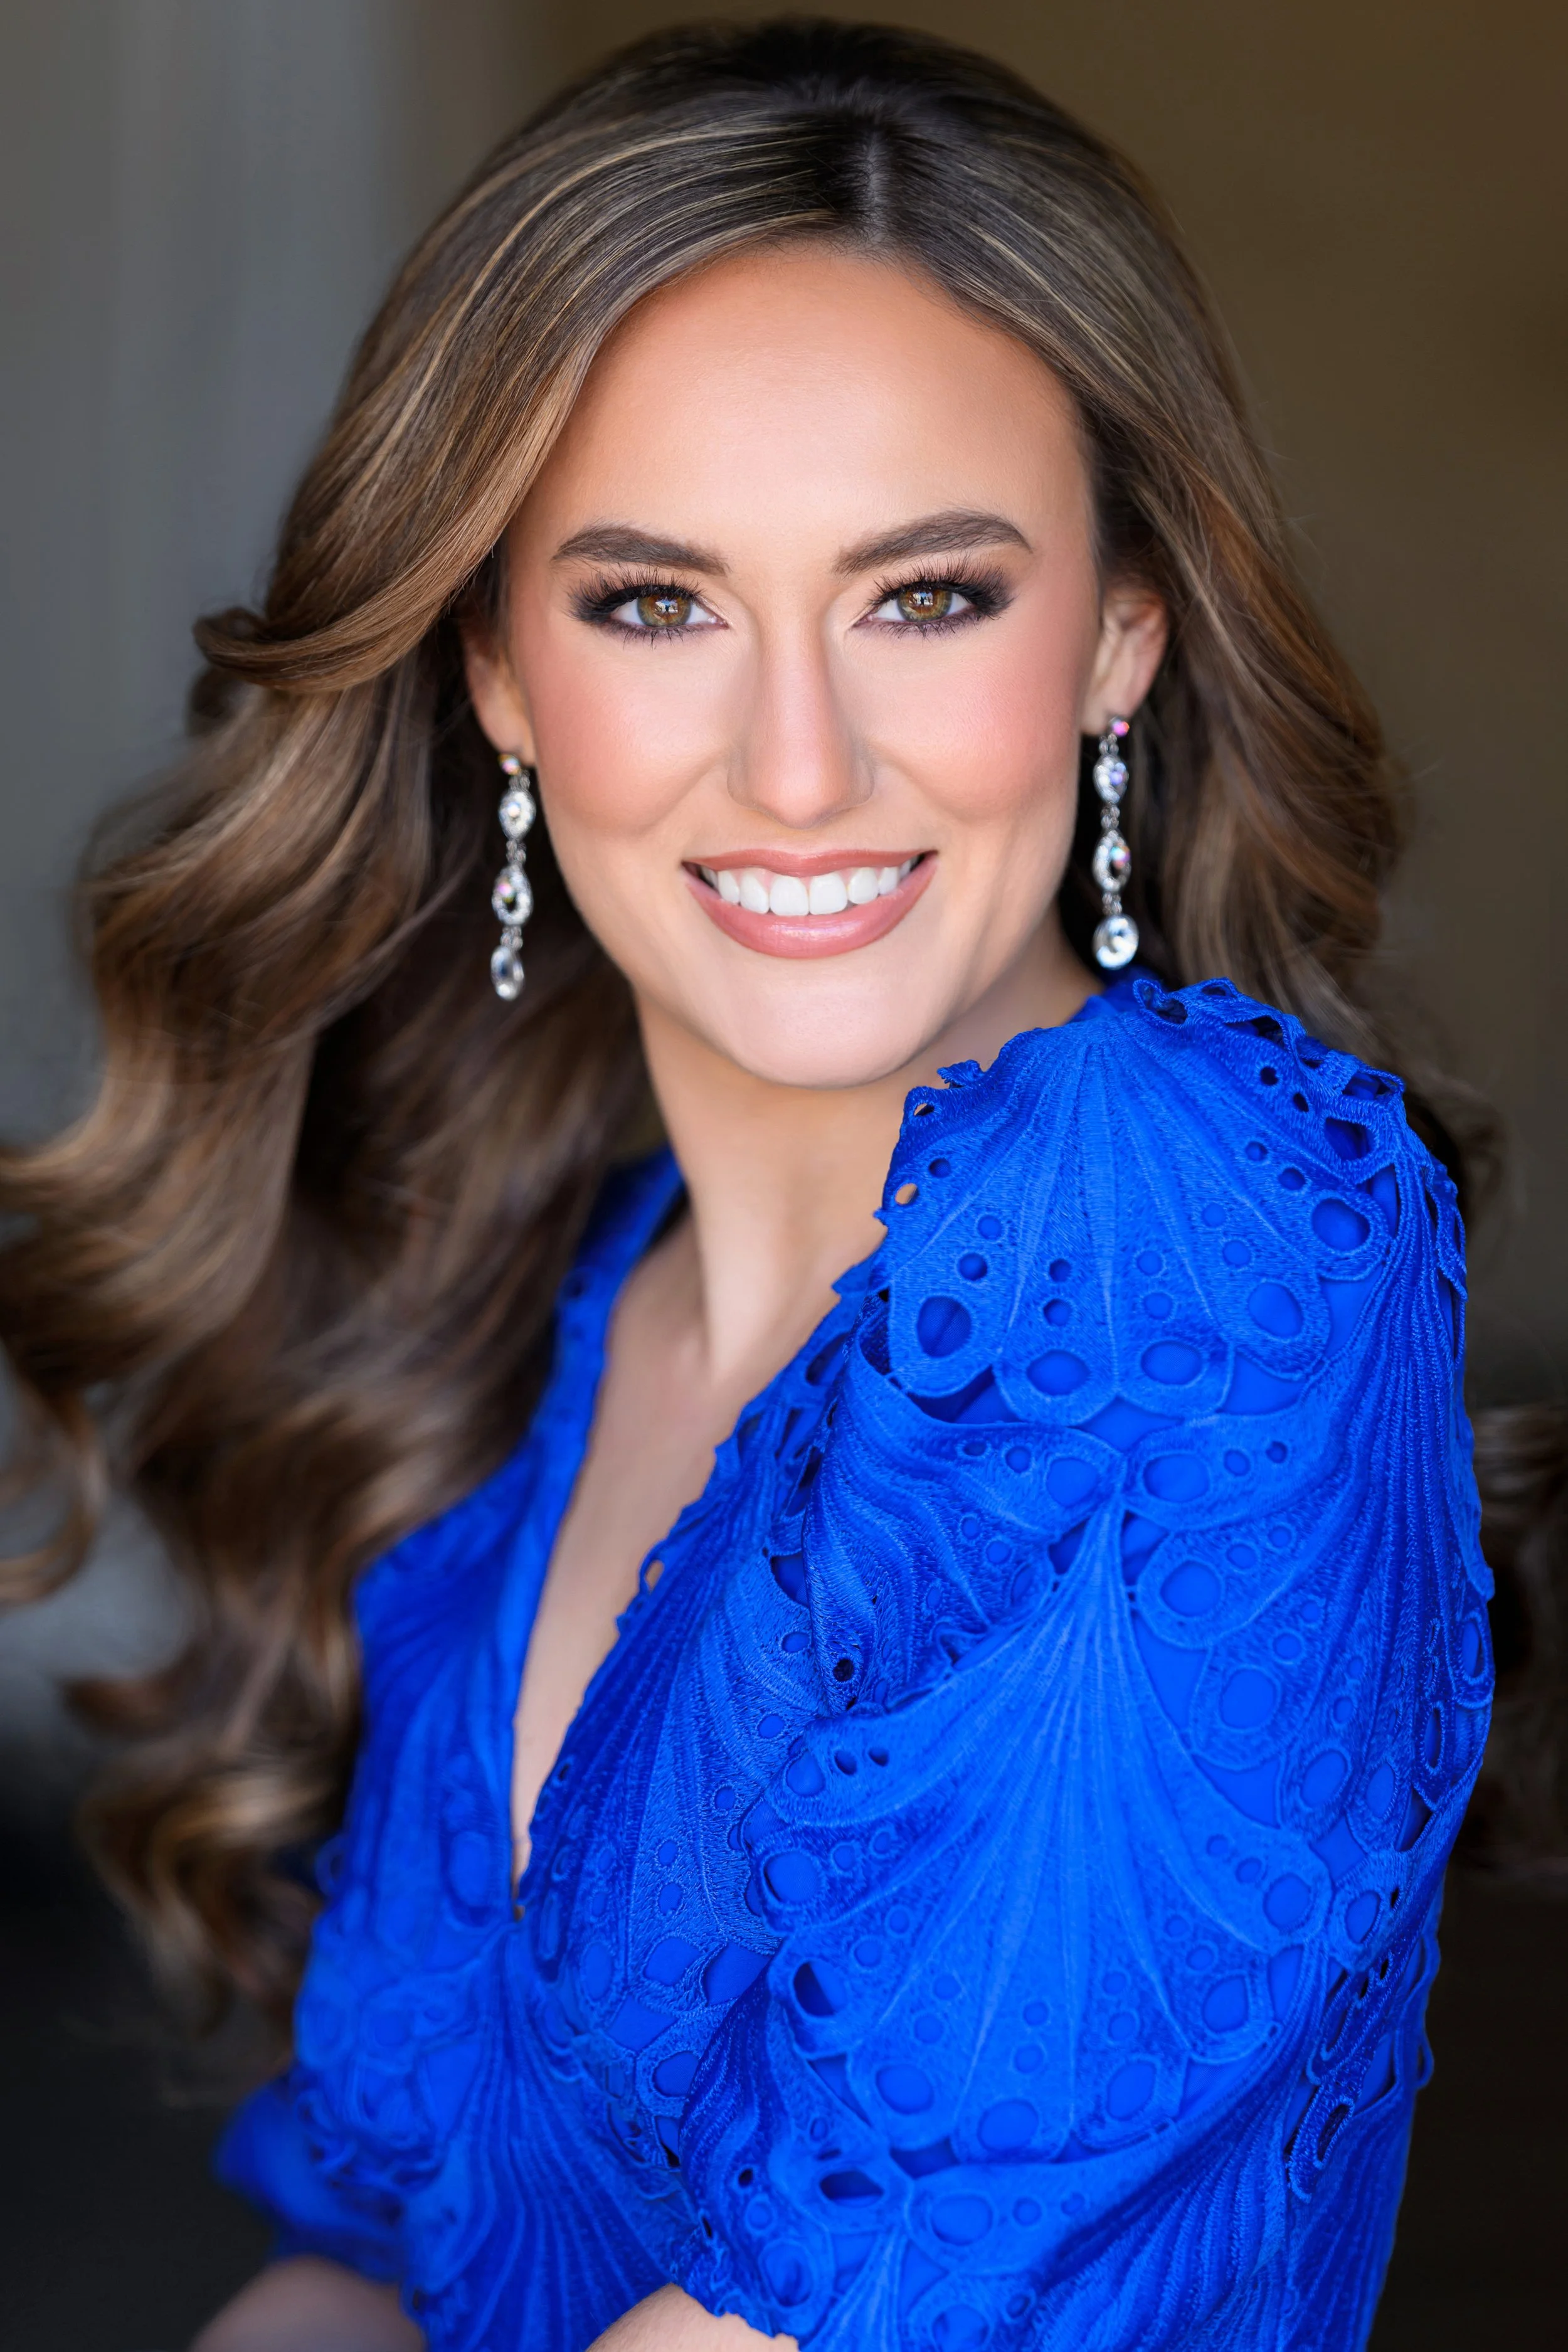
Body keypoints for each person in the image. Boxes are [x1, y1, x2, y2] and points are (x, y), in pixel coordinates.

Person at [0, 21, 1493, 2352]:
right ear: (496, 672)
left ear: (1118, 635)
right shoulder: (549, 1322)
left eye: (925, 595)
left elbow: (848, 2307)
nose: (796, 766)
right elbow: (370, 2264)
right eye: (651, 602)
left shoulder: (1205, 1238)